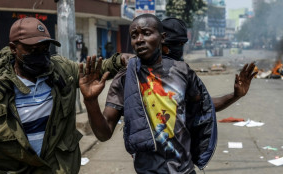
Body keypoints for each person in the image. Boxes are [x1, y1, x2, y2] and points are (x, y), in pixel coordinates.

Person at [80, 14, 218, 174]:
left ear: (162, 38)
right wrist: (90, 101)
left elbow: (202, 110)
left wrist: (235, 95)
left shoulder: (182, 71)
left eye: (146, 33)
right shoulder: (125, 78)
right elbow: (104, 134)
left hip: (184, 170)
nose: (139, 40)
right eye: (134, 35)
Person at [0, 17, 130, 173]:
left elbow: (95, 69)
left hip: (57, 168)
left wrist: (120, 60)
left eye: (44, 49)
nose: (40, 55)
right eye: (32, 50)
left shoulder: (60, 69)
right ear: (13, 48)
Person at [161, 17, 257, 112]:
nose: (180, 49)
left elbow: (204, 105)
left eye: (182, 44)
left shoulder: (183, 73)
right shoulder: (146, 72)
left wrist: (235, 96)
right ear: (161, 40)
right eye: (176, 44)